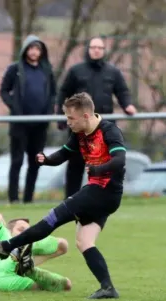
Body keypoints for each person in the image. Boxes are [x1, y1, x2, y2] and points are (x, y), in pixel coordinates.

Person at [0, 93, 125, 300]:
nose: (68, 122)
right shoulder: (80, 132)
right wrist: (46, 160)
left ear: (85, 116)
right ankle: (108, 288)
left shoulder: (109, 131)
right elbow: (65, 153)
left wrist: (99, 169)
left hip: (104, 192)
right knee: (84, 242)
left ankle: (5, 247)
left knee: (52, 218)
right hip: (99, 193)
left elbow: (120, 160)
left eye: (71, 119)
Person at [57, 36, 136, 199]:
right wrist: (61, 116)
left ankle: (102, 198)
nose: (96, 50)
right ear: (88, 49)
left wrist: (127, 105)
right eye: (93, 47)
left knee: (104, 164)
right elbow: (63, 93)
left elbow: (122, 91)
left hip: (104, 127)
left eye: (100, 48)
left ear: (104, 51)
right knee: (75, 164)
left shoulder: (113, 72)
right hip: (80, 127)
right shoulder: (76, 71)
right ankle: (70, 200)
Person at [0, 35, 56, 203]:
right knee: (17, 161)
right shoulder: (15, 69)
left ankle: (28, 199)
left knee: (35, 162)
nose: (34, 52)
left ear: (41, 52)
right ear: (25, 50)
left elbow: (53, 93)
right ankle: (13, 198)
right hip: (19, 124)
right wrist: (15, 107)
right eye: (31, 48)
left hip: (40, 124)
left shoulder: (47, 70)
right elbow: (3, 91)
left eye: (37, 49)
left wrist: (49, 110)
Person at [0, 213, 71, 292]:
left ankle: (26, 266)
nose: (25, 233)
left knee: (67, 284)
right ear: (9, 231)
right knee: (37, 286)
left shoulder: (30, 243)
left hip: (24, 267)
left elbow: (63, 247)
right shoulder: (2, 234)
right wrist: (0, 217)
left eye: (28, 231)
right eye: (21, 230)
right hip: (3, 278)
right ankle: (24, 266)